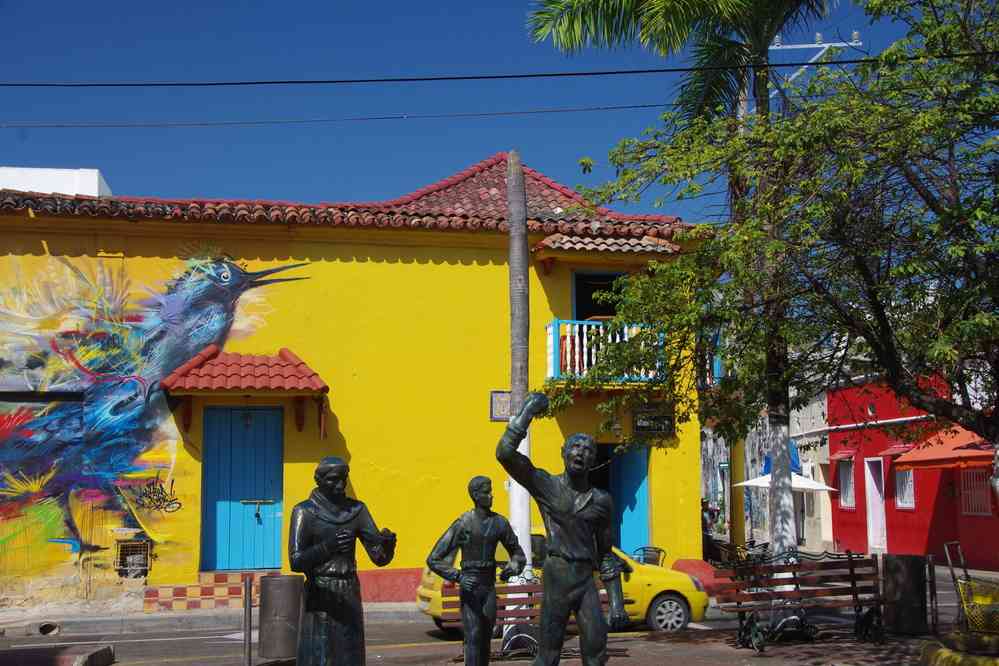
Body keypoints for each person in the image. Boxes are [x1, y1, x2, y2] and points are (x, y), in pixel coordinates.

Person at [496, 393, 628, 666]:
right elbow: (504, 453)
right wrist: (527, 413)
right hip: (557, 576)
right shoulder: (547, 485)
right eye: (575, 446)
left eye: (588, 449)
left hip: (584, 579)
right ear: (564, 452)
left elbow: (606, 554)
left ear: (594, 459)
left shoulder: (602, 501)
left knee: (596, 648)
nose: (581, 452)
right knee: (548, 653)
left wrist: (617, 603)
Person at [289, 456, 396, 666]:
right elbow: (296, 561)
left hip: (348, 592)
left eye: (344, 479)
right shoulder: (305, 512)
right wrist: (328, 547)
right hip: (320, 593)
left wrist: (387, 545)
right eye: (333, 480)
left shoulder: (357, 510)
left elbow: (378, 558)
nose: (340, 485)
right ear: (318, 481)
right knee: (320, 655)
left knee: (350, 654)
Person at [426, 476, 526, 666]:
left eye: (491, 491)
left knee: (485, 638)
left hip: (488, 587)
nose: (491, 495)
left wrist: (511, 568)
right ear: (475, 495)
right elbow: (434, 559)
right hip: (470, 587)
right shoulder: (463, 523)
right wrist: (458, 576)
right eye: (486, 492)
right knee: (472, 637)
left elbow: (518, 555)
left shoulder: (500, 523)